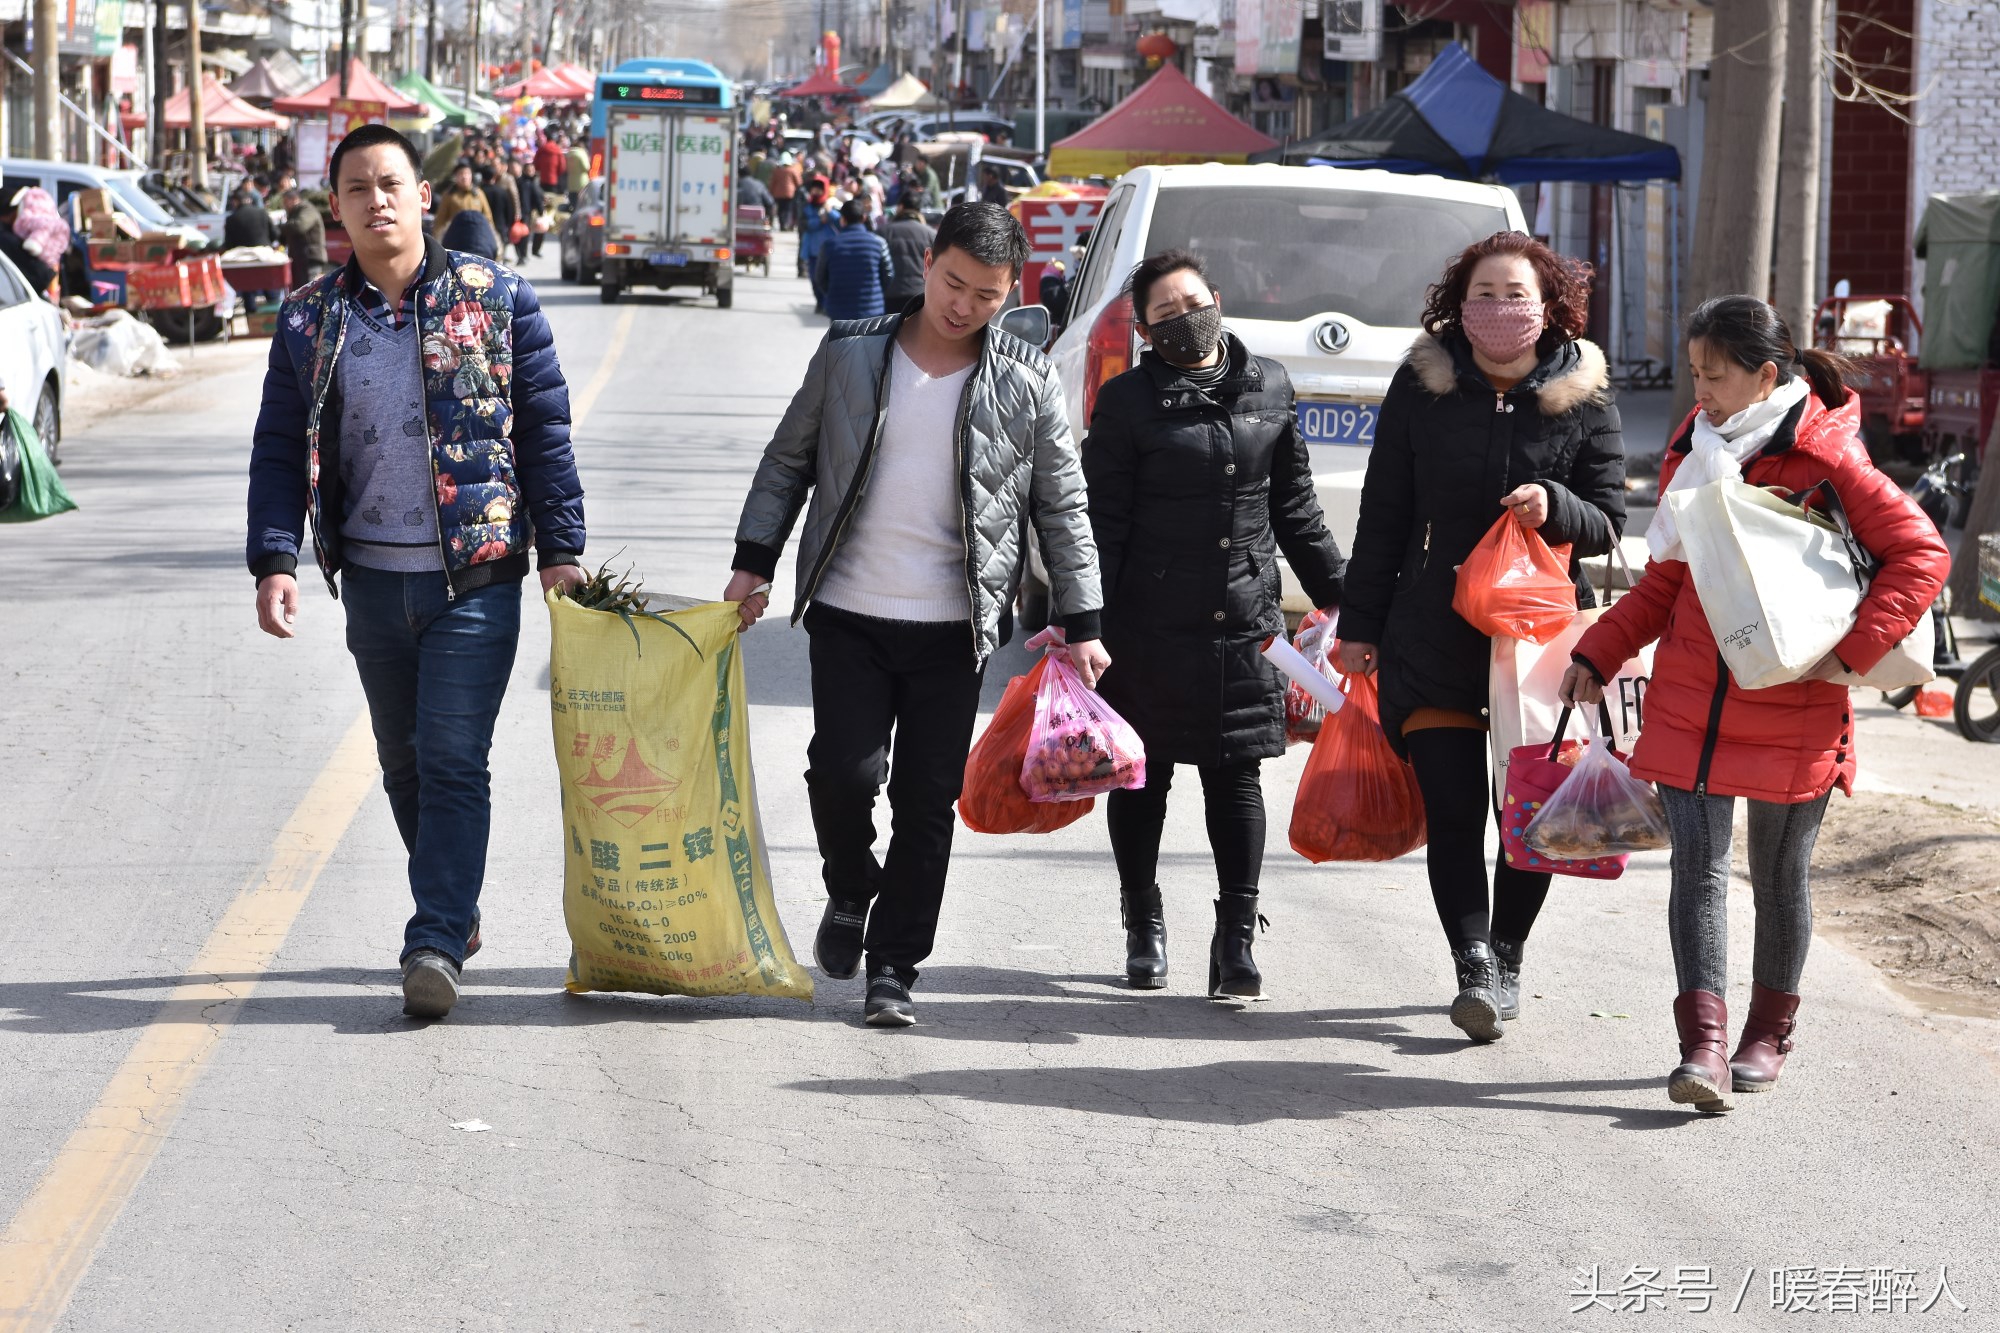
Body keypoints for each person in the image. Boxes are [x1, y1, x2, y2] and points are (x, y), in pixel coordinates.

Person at [723, 203, 1107, 1028]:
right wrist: (752, 561)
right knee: (841, 774)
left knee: (929, 802)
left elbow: (1062, 506)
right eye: (954, 282)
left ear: (1010, 296)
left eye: (986, 294)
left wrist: (1084, 622)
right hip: (849, 608)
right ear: (928, 264)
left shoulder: (1026, 381)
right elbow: (789, 459)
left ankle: (895, 966)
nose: (963, 305)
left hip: (952, 627)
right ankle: (852, 885)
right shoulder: (853, 353)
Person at [1561, 296, 1948, 1114]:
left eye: (1715, 375)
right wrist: (1600, 649)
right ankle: (1701, 1044)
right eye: (1693, 372)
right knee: (1696, 875)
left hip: (1797, 706)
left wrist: (1853, 654)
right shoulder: (1694, 452)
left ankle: (1766, 1034)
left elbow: (1921, 553)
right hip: (1692, 703)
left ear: (1766, 374)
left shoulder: (1829, 460)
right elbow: (1670, 577)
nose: (1698, 390)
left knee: (1779, 878)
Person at [245, 125, 586, 1021]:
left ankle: (433, 937)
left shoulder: (497, 299)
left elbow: (544, 434)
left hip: (473, 575)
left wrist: (561, 552)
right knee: (402, 763)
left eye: (391, 183)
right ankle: (456, 902)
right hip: (369, 580)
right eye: (357, 188)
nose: (377, 201)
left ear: (424, 196)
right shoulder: (310, 318)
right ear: (336, 208)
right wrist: (274, 558)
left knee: (450, 756)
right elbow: (281, 447)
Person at [1337, 231, 1626, 1043]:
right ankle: (1472, 963)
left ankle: (1508, 951)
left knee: (1528, 810)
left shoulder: (1583, 391)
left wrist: (1556, 505)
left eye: (1515, 293)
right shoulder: (1422, 384)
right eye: (1484, 294)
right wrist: (1359, 626)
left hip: (1535, 641)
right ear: (1457, 306)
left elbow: (1609, 518)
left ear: (1549, 305)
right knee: (1457, 810)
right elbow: (1383, 511)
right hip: (1430, 629)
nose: (1500, 308)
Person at [1083, 250, 1346, 997]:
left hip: (1244, 621)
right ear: (1142, 330)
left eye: (1190, 304)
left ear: (1217, 301)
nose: (1182, 321)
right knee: (1143, 779)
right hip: (1147, 625)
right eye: (1162, 315)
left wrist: (1343, 597)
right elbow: (1104, 523)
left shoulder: (1269, 384)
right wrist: (1085, 623)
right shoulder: (1128, 401)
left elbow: (1295, 507)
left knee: (1236, 780)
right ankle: (1144, 924)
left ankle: (1236, 940)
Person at [815, 197, 894, 321]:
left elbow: (820, 277)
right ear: (863, 218)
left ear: (842, 220)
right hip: (871, 310)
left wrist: (832, 293)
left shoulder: (830, 245)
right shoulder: (879, 243)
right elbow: (888, 275)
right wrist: (875, 292)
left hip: (839, 310)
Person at [883, 193, 934, 308]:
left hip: (890, 294)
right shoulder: (930, 234)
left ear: (900, 207)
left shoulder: (884, 232)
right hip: (919, 293)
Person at [797, 177, 836, 310]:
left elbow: (840, 221)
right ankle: (820, 302)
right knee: (815, 280)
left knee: (828, 280)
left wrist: (830, 212)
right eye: (815, 188)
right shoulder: (806, 207)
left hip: (829, 251)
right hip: (813, 251)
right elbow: (803, 225)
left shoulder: (831, 205)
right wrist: (820, 221)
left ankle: (825, 304)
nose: (817, 191)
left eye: (820, 188)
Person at [278, 187, 328, 283]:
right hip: (300, 258)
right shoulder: (294, 213)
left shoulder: (307, 209)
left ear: (294, 199)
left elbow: (299, 226)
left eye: (286, 201)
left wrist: (280, 227)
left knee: (309, 289)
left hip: (310, 257)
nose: (284, 205)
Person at [433, 161, 491, 231]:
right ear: (456, 176)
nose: (464, 177)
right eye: (461, 173)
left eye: (467, 173)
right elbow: (440, 220)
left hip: (476, 234)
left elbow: (488, 217)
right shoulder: (449, 195)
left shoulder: (478, 194)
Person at [480, 164, 520, 253]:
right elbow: (509, 211)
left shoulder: (479, 193)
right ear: (494, 177)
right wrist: (509, 224)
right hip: (500, 225)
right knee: (500, 251)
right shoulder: (502, 192)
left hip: (483, 226)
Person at [513, 161, 546, 262]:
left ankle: (523, 254)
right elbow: (536, 197)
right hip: (525, 212)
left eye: (532, 170)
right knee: (523, 234)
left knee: (523, 234)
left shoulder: (530, 181)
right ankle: (523, 255)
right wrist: (541, 211)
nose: (530, 172)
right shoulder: (527, 182)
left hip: (527, 211)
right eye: (528, 170)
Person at [769, 153, 803, 231]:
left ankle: (782, 225)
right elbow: (799, 182)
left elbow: (772, 182)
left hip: (778, 194)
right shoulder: (793, 170)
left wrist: (770, 192)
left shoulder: (777, 171)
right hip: (790, 193)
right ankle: (786, 224)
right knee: (788, 209)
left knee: (780, 209)